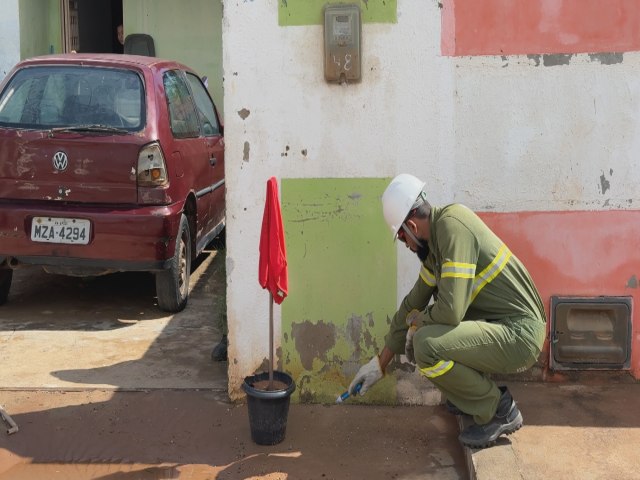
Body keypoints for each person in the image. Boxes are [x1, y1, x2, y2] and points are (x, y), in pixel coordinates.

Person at [348, 173, 546, 449]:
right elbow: (412, 304)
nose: (406, 245)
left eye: (402, 237)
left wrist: (418, 323)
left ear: (412, 225)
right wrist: (378, 365)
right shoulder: (437, 248)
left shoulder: (453, 228)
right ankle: (470, 396)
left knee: (425, 343)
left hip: (520, 335)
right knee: (425, 335)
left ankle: (498, 408)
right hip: (503, 328)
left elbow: (451, 311)